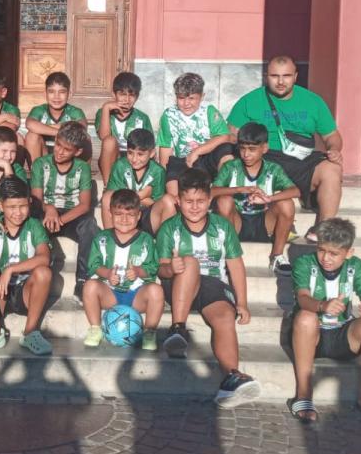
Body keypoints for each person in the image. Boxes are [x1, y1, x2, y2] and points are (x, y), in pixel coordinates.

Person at [156, 167, 259, 406]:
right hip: (179, 283)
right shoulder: (169, 228)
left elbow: (235, 266)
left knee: (224, 316)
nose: (194, 207)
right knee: (190, 263)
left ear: (210, 200)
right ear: (178, 201)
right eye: (188, 201)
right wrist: (171, 268)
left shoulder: (222, 227)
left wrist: (241, 302)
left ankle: (231, 376)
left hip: (212, 284)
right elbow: (160, 268)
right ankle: (178, 328)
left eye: (200, 201)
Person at [284, 218, 361, 427]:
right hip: (310, 336)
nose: (326, 258)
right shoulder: (305, 263)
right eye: (322, 250)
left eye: (334, 254)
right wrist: (323, 306)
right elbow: (303, 298)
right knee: (306, 317)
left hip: (342, 333)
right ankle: (303, 396)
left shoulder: (356, 265)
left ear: (349, 253)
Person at [226, 55, 343, 241]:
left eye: (286, 76)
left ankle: (324, 228)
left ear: (295, 76)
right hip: (264, 159)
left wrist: (334, 149)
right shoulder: (249, 101)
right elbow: (230, 135)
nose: (280, 82)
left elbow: (331, 136)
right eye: (274, 76)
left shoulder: (313, 101)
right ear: (266, 76)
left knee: (332, 169)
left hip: (301, 159)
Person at [0, 177, 54, 357]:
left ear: (30, 202)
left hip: (26, 291)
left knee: (43, 273)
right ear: (0, 205)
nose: (18, 213)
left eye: (22, 206)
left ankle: (30, 332)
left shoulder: (33, 225)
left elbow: (44, 257)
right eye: (11, 207)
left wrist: (11, 269)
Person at [212, 122, 301, 276]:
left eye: (252, 149)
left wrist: (269, 199)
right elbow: (211, 191)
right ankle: (228, 256)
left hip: (264, 223)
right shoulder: (231, 167)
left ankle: (277, 256)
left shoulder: (273, 169)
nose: (246, 154)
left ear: (264, 148)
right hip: (236, 222)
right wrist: (239, 190)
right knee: (224, 200)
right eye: (242, 149)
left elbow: (295, 191)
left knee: (286, 203)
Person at [82, 190, 163, 352]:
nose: (124, 219)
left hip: (136, 295)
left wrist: (139, 272)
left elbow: (153, 267)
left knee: (156, 290)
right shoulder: (102, 238)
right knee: (89, 286)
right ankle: (95, 328)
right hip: (110, 294)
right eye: (118, 214)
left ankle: (149, 332)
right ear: (110, 213)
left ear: (139, 216)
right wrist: (107, 274)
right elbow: (93, 265)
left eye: (130, 215)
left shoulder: (146, 239)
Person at [29, 121, 98, 296]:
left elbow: (84, 205)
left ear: (78, 152)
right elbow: (36, 199)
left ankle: (83, 280)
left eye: (66, 150)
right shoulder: (40, 164)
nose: (59, 152)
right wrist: (49, 208)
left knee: (90, 226)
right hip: (45, 213)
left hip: (71, 215)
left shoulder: (82, 168)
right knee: (32, 222)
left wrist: (59, 220)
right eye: (58, 145)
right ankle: (38, 275)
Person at [156, 72, 235, 194]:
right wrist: (163, 177)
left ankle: (222, 190)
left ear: (202, 96)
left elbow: (225, 136)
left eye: (191, 98)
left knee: (226, 150)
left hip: (206, 157)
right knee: (172, 185)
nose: (186, 103)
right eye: (181, 98)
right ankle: (176, 202)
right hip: (181, 160)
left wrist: (197, 152)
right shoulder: (168, 115)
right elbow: (165, 149)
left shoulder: (209, 111)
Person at [101, 127, 172, 234]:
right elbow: (115, 199)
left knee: (168, 201)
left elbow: (156, 203)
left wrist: (132, 196)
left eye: (140, 154)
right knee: (107, 197)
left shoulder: (158, 171)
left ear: (152, 153)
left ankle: (163, 243)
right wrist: (143, 195)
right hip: (125, 215)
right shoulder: (120, 166)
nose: (134, 159)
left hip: (148, 217)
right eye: (130, 153)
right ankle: (110, 238)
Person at [95, 71, 153, 184]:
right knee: (109, 141)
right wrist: (106, 108)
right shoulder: (104, 112)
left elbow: (148, 146)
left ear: (137, 97)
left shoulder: (142, 118)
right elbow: (104, 136)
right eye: (122, 94)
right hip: (112, 158)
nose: (126, 100)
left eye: (131, 95)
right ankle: (108, 186)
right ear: (114, 94)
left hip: (135, 159)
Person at [23, 71, 87, 163]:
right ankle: (36, 173)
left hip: (68, 155)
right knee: (31, 136)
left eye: (62, 92)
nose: (56, 97)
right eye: (51, 92)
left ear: (69, 93)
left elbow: (81, 128)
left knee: (86, 138)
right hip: (44, 154)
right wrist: (62, 133)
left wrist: (42, 127)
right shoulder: (39, 110)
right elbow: (30, 124)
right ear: (45, 92)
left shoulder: (75, 112)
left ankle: (80, 171)